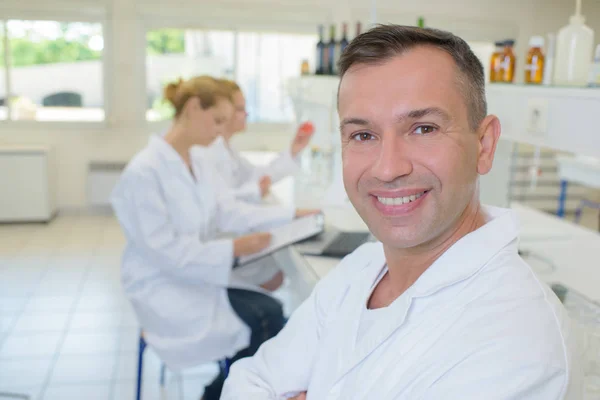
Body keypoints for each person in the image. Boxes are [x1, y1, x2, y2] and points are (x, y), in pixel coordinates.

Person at [221, 25, 582, 399]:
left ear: (484, 145)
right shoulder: (362, 268)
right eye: (363, 135)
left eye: (423, 128)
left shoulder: (519, 344)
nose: (387, 168)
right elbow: (248, 382)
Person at [110, 76, 317, 400]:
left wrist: (291, 215)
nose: (222, 130)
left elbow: (227, 210)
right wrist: (233, 248)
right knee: (267, 319)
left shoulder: (196, 161)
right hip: (164, 287)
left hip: (198, 276)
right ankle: (220, 394)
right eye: (218, 120)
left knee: (272, 314)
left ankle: (236, 390)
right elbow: (165, 253)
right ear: (193, 108)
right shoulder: (143, 173)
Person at [209, 79, 315, 202]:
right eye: (240, 109)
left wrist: (293, 150)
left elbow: (256, 175)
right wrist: (255, 190)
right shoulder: (211, 151)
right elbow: (220, 202)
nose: (246, 114)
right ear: (223, 111)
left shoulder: (227, 148)